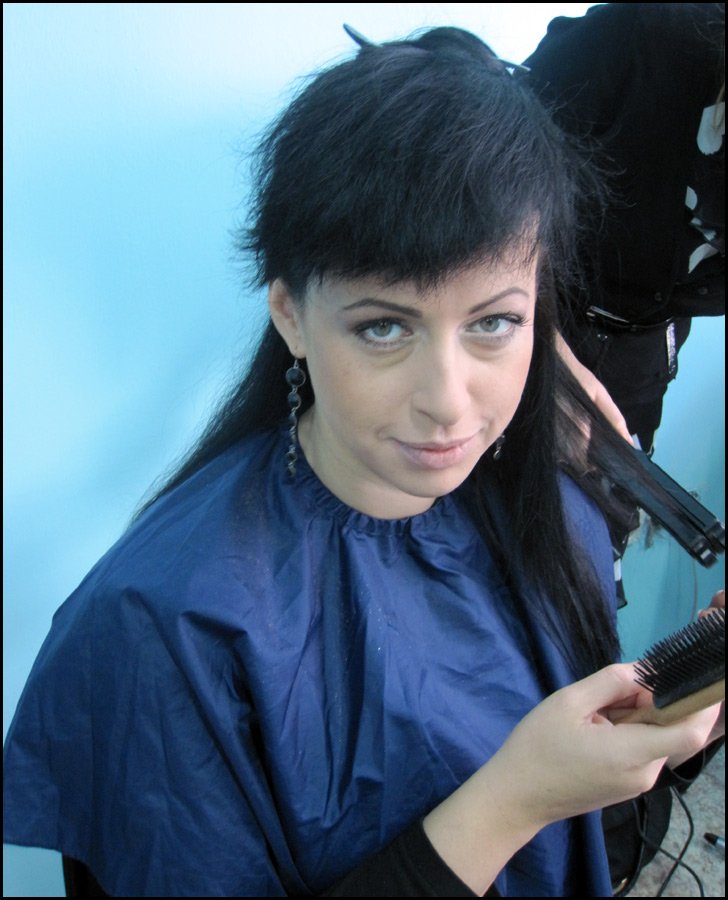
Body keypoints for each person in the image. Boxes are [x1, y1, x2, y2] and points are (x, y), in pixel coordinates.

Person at [3, 25, 723, 898]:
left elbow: (587, 841)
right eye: (384, 327)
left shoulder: (552, 508)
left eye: (494, 321)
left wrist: (677, 709)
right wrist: (512, 799)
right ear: (291, 315)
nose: (448, 401)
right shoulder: (161, 627)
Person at [524, 2, 725, 455]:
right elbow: (476, 192)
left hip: (642, 357)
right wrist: (544, 355)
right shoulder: (645, 33)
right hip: (523, 310)